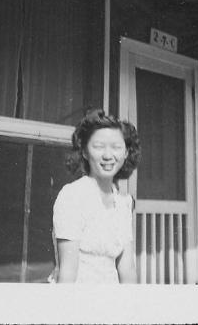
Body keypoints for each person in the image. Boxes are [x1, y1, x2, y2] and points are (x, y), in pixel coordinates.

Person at [52, 109, 140, 283]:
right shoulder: (72, 196)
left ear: (126, 153)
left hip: (112, 301)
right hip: (79, 300)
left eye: (116, 147)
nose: (108, 156)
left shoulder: (123, 203)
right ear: (84, 152)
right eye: (99, 147)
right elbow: (67, 271)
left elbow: (127, 269)